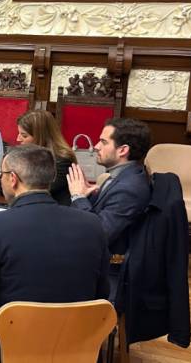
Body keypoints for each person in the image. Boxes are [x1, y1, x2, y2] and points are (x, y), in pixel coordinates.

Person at [0, 145, 110, 363]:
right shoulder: (93, 224)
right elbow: (101, 294)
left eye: (1, 175)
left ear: (13, 179)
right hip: (76, 348)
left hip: (8, 348)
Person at [67, 117, 152, 292]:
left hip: (108, 271)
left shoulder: (129, 188)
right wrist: (89, 195)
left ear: (123, 150)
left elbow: (98, 233)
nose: (96, 146)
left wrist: (78, 196)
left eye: (103, 142)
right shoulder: (121, 176)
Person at [0, 110, 76, 205]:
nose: (18, 139)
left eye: (24, 135)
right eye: (19, 133)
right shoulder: (31, 154)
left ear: (41, 137)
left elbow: (30, 191)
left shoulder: (62, 161)